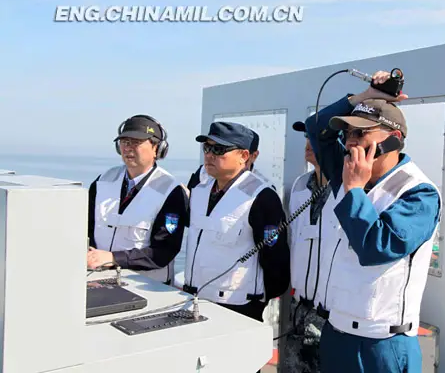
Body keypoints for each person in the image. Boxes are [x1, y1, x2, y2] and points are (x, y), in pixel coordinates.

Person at [304, 71, 442, 372]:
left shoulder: (419, 194)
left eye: (361, 133)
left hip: (381, 346)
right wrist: (364, 96)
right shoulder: (348, 174)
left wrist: (354, 189)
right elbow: (316, 127)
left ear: (392, 142)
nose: (351, 142)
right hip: (336, 334)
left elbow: (376, 248)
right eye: (348, 133)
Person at [183, 121, 290, 325]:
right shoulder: (199, 189)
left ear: (244, 156)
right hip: (195, 300)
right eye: (207, 147)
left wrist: (256, 299)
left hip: (238, 307)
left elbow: (275, 260)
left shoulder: (261, 196)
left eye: (219, 149)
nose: (209, 154)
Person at [87, 114, 189, 285]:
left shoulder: (171, 191)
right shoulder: (102, 181)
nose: (128, 148)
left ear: (157, 148)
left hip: (145, 286)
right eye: (125, 142)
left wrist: (113, 258)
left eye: (136, 142)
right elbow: (86, 228)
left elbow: (164, 251)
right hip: (98, 279)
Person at [282, 121, 340, 373]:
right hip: (299, 306)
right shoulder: (299, 186)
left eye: (316, 137)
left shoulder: (349, 189)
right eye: (307, 136)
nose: (308, 143)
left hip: (332, 313)